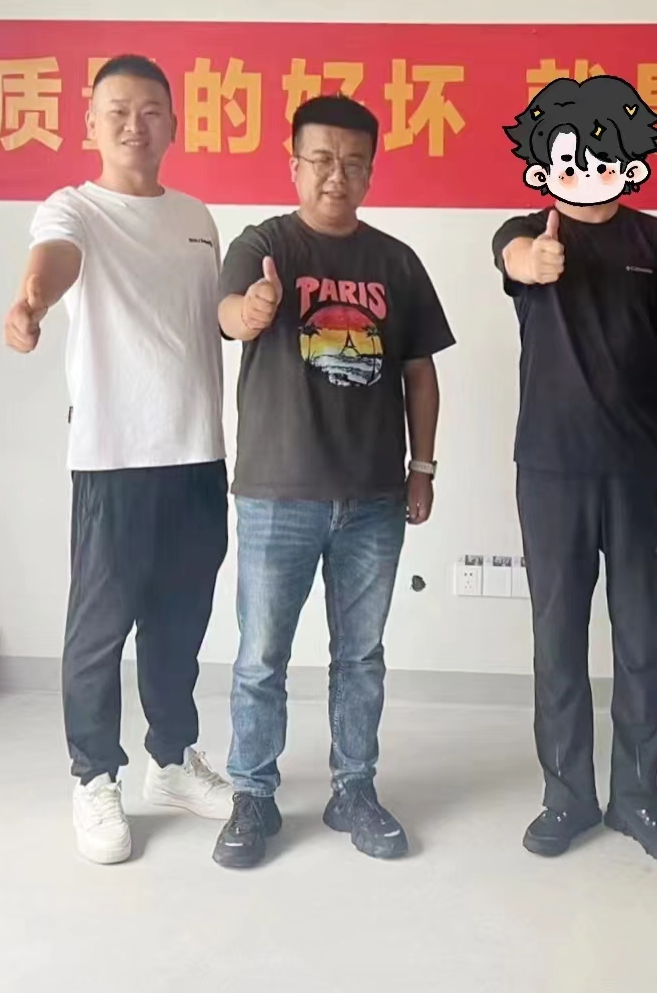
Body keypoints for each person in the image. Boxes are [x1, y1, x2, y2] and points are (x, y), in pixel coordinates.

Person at [211, 94, 454, 870]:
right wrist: (254, 309)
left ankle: (354, 788)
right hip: (276, 493)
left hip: (374, 496)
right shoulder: (264, 243)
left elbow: (419, 373)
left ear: (370, 172)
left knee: (361, 656)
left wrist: (422, 466)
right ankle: (253, 793)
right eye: (320, 159)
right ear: (294, 164)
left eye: (352, 162)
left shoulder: (395, 262)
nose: (335, 175)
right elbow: (228, 314)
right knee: (260, 656)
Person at [3, 54, 234, 865]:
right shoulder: (75, 207)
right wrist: (33, 298)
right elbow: (55, 258)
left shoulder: (198, 216)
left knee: (180, 623)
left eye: (150, 110)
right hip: (114, 456)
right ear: (91, 123)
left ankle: (169, 762)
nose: (135, 125)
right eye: (118, 111)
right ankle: (94, 775)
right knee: (99, 630)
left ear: (173, 123)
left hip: (198, 453)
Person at [493, 75, 657, 864]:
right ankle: (566, 796)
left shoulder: (656, 240)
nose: (587, 166)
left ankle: (637, 796)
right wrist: (536, 258)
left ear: (629, 159)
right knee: (556, 639)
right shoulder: (526, 229)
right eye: (570, 154)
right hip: (550, 470)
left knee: (642, 641)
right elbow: (516, 259)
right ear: (541, 162)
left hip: (643, 471)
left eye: (603, 151)